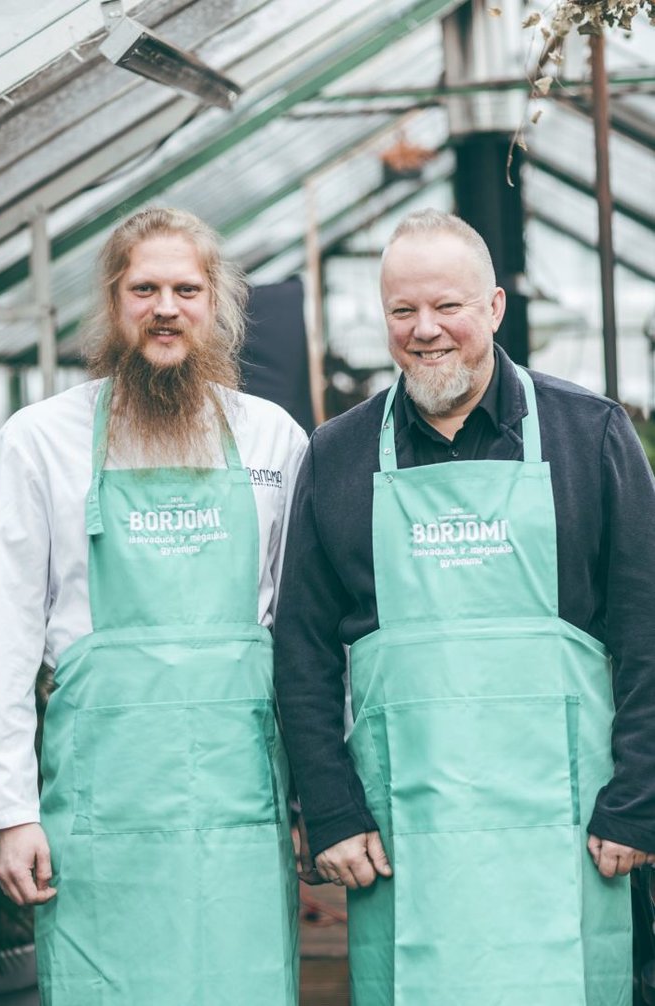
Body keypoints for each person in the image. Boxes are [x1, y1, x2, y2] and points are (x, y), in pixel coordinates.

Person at [274, 208, 655, 1006]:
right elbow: (302, 652)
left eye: (447, 306)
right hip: (406, 838)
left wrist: (636, 803)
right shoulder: (337, 455)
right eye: (402, 311)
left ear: (494, 308)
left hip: (573, 831)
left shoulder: (592, 435)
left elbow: (647, 633)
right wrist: (333, 812)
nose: (426, 331)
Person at [0, 207, 307, 1005]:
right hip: (101, 808)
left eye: (186, 289)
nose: (166, 307)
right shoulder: (39, 440)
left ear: (218, 305)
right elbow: (6, 641)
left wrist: (314, 803)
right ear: (114, 302)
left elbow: (301, 639)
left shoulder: (272, 439)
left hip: (240, 802)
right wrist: (10, 811)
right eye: (145, 288)